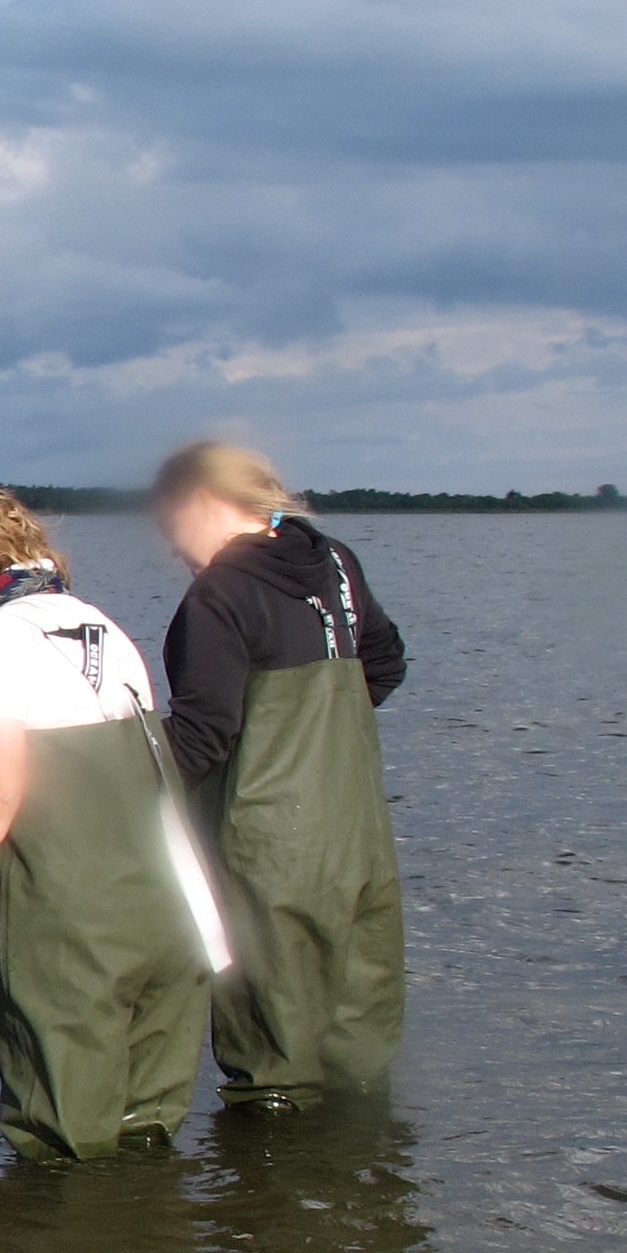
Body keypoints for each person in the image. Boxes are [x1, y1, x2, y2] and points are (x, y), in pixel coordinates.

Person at [0, 486, 227, 1160]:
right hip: (169, 912)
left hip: (70, 918)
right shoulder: (101, 623)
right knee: (146, 1132)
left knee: (63, 1134)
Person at [150, 441, 408, 1106]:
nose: (172, 548)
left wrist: (106, 781)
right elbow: (385, 664)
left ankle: (268, 1167)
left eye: (169, 525)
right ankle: (363, 1163)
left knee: (272, 1062)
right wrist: (313, 737)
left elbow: (200, 741)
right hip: (356, 841)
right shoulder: (335, 562)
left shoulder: (219, 594)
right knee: (356, 1049)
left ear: (200, 501)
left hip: (265, 851)